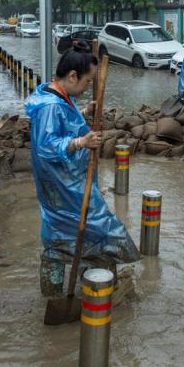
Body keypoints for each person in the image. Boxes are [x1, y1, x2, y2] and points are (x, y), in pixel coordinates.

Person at [25, 50, 140, 314]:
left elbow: (66, 122)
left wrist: (85, 111)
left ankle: (61, 288)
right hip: (64, 184)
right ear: (73, 75)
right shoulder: (51, 106)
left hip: (67, 181)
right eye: (88, 81)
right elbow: (46, 146)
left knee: (66, 230)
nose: (89, 86)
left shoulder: (58, 96)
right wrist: (80, 142)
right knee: (100, 230)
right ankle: (95, 291)